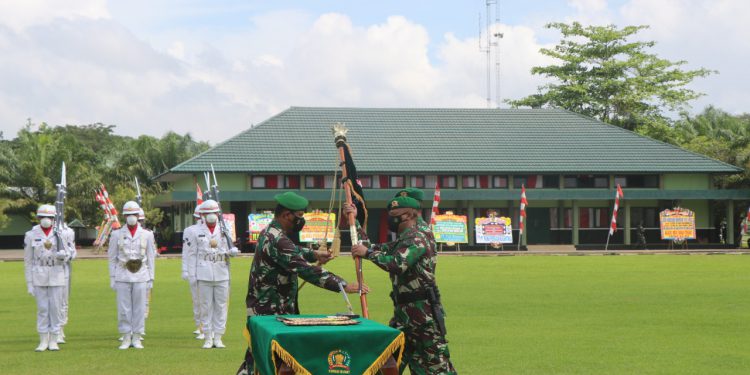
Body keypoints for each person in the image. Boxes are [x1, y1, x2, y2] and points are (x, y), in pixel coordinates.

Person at [236, 192, 368, 374]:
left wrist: (314, 254)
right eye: (298, 217)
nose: (301, 221)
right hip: (270, 312)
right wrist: (342, 285)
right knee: (269, 362)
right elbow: (305, 269)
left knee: (259, 359)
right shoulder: (278, 239)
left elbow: (292, 251)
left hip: (268, 309)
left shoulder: (271, 232)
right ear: (286, 215)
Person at [350, 194, 456, 374]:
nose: (390, 218)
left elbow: (397, 264)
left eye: (394, 215)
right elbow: (373, 247)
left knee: (435, 368)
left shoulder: (417, 238)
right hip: (404, 316)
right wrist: (354, 220)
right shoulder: (405, 238)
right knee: (384, 363)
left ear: (407, 215)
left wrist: (367, 253)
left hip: (423, 318)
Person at [183, 199, 239, 349]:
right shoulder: (195, 231)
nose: (211, 216)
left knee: (221, 306)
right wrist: (192, 274)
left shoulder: (225, 228)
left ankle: (218, 337)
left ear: (217, 213)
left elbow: (229, 248)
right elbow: (192, 254)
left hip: (221, 271)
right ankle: (208, 337)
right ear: (202, 215)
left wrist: (232, 252)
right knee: (205, 306)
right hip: (203, 271)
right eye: (207, 213)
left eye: (213, 213)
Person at [24, 204, 74, 352]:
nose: (46, 220)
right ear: (39, 218)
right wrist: (29, 283)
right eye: (43, 217)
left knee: (56, 308)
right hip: (39, 273)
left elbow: (71, 252)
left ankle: (54, 339)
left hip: (57, 272)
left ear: (54, 219)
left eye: (50, 217)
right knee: (42, 308)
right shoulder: (31, 235)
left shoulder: (61, 234)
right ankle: (43, 340)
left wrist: (64, 256)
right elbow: (28, 260)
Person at [108, 201, 156, 350]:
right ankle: (126, 337)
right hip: (122, 274)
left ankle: (137, 337)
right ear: (124, 217)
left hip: (141, 274)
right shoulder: (116, 234)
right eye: (128, 215)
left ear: (138, 216)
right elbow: (112, 257)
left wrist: (151, 278)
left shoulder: (147, 234)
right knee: (124, 308)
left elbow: (151, 257)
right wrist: (112, 277)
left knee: (140, 308)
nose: (131, 217)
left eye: (133, 215)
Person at [182, 205, 205, 339]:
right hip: (194, 269)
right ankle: (200, 325)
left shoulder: (220, 229)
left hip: (210, 270)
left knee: (210, 301)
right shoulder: (190, 230)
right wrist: (185, 269)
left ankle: (209, 327)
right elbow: (187, 251)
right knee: (197, 300)